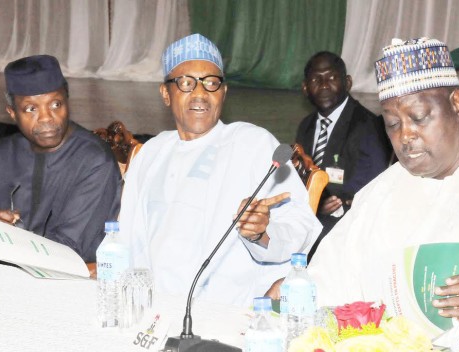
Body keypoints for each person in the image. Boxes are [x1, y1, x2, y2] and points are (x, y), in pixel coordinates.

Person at [268, 38, 459, 351]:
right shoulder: (384, 190)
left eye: (419, 118)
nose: (405, 135)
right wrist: (297, 292)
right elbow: (335, 275)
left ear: (457, 104)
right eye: (392, 124)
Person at [119, 34, 321, 307]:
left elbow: (301, 225)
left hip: (226, 310)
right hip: (151, 307)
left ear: (223, 93)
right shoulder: (152, 153)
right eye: (186, 83)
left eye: (211, 83)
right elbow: (127, 237)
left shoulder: (254, 144)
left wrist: (261, 232)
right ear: (166, 94)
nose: (200, 94)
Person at [0, 55, 121, 263]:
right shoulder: (1, 156)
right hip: (4, 276)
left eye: (55, 104)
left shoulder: (93, 161)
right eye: (31, 109)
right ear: (12, 113)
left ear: (67, 101)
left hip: (72, 283)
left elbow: (69, 248)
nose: (46, 118)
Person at [295, 51, 391, 258]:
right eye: (316, 79)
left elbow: (373, 187)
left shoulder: (368, 126)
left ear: (347, 82)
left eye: (332, 77)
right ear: (305, 88)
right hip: (309, 218)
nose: (324, 85)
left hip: (347, 227)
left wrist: (323, 203)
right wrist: (312, 204)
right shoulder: (306, 126)